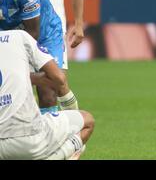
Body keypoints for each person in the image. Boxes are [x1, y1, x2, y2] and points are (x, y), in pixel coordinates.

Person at [0, 30, 94, 160]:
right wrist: (23, 77)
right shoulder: (19, 36)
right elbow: (58, 78)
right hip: (30, 140)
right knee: (87, 121)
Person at [0, 0, 78, 113]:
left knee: (49, 90)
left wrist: (17, 69)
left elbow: (32, 32)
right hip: (8, 36)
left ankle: (72, 127)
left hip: (44, 34)